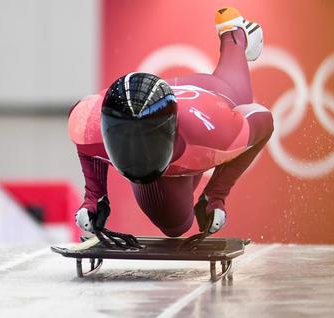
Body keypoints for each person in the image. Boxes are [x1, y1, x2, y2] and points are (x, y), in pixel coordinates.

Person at [69, 7, 272, 238]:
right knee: (175, 225)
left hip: (209, 100)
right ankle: (231, 29)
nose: (137, 154)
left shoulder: (214, 131)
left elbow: (263, 119)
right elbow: (85, 136)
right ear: (107, 129)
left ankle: (234, 33)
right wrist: (94, 197)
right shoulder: (88, 121)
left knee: (175, 225)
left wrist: (216, 195)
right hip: (187, 117)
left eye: (146, 143)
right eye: (125, 141)